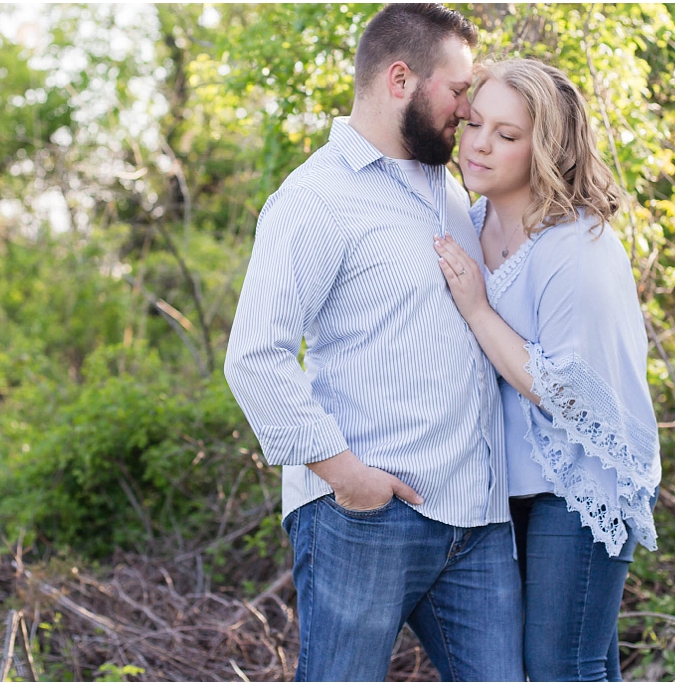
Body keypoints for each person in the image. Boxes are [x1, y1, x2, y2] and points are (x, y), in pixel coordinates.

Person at [224, 4, 524, 682]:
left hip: (476, 522)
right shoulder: (316, 198)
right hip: (366, 519)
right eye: (456, 90)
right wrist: (346, 476)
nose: (467, 109)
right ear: (400, 79)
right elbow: (255, 355)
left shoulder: (449, 187)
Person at [433, 58, 661, 681]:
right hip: (505, 483)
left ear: (546, 150)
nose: (479, 145)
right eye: (475, 123)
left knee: (563, 666)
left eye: (506, 136)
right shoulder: (469, 222)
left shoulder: (576, 246)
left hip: (583, 478)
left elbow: (567, 393)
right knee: (566, 663)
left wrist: (478, 309)